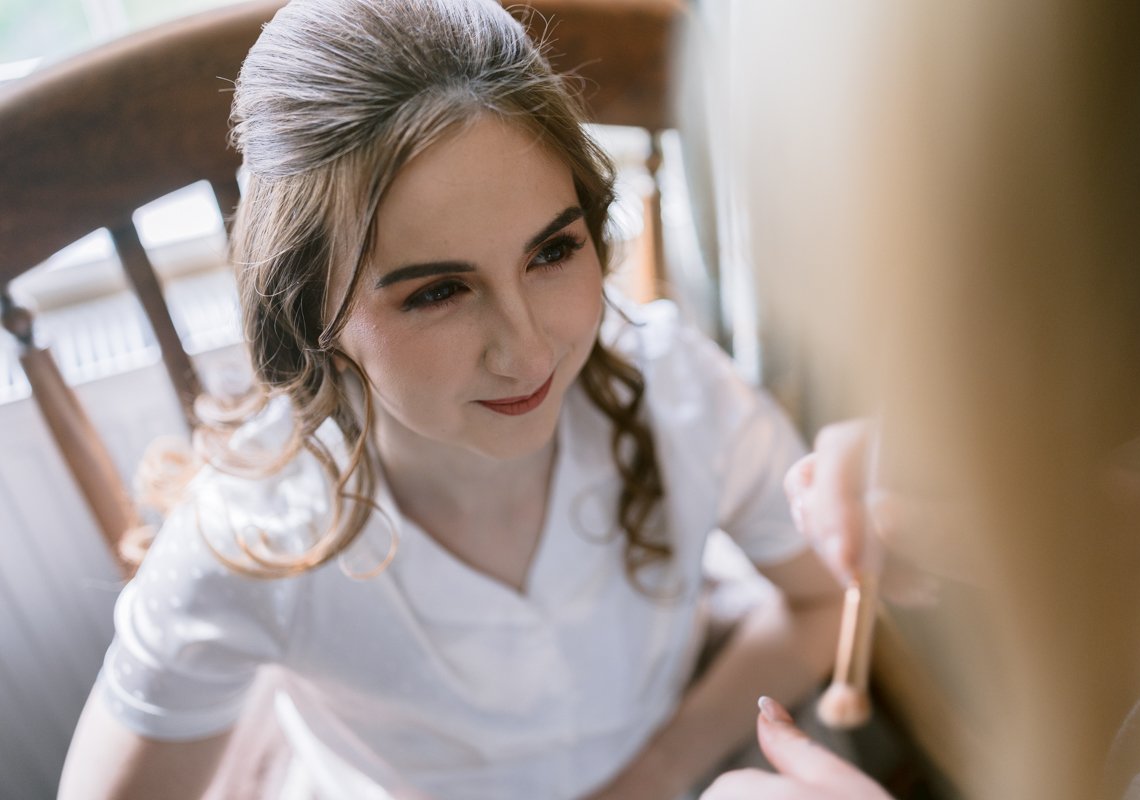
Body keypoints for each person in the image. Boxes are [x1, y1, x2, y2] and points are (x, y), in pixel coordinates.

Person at [56, 1, 842, 798]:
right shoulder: (251, 545)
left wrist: (658, 771)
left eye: (553, 250)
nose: (529, 351)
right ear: (309, 317)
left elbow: (826, 601)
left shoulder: (680, 394)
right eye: (437, 292)